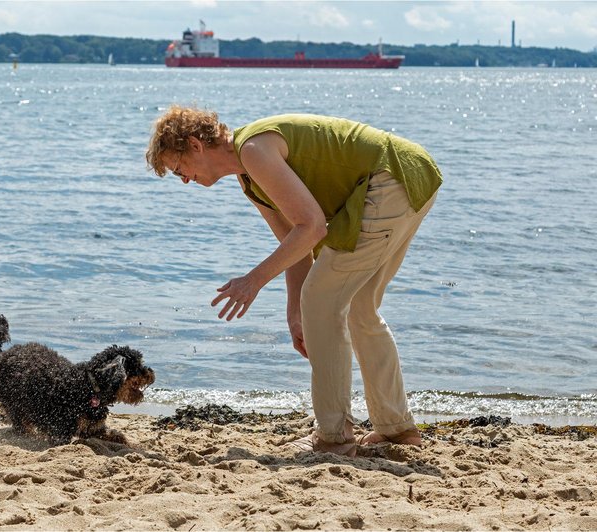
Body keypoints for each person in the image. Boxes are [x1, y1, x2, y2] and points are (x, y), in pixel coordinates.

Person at [146, 106, 442, 456]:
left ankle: (334, 436)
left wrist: (253, 281)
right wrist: (294, 314)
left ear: (195, 145)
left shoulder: (253, 150)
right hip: (410, 173)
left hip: (391, 176)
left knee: (324, 299)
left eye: (179, 168)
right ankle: (397, 430)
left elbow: (313, 226)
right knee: (358, 307)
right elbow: (296, 245)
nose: (183, 179)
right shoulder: (250, 178)